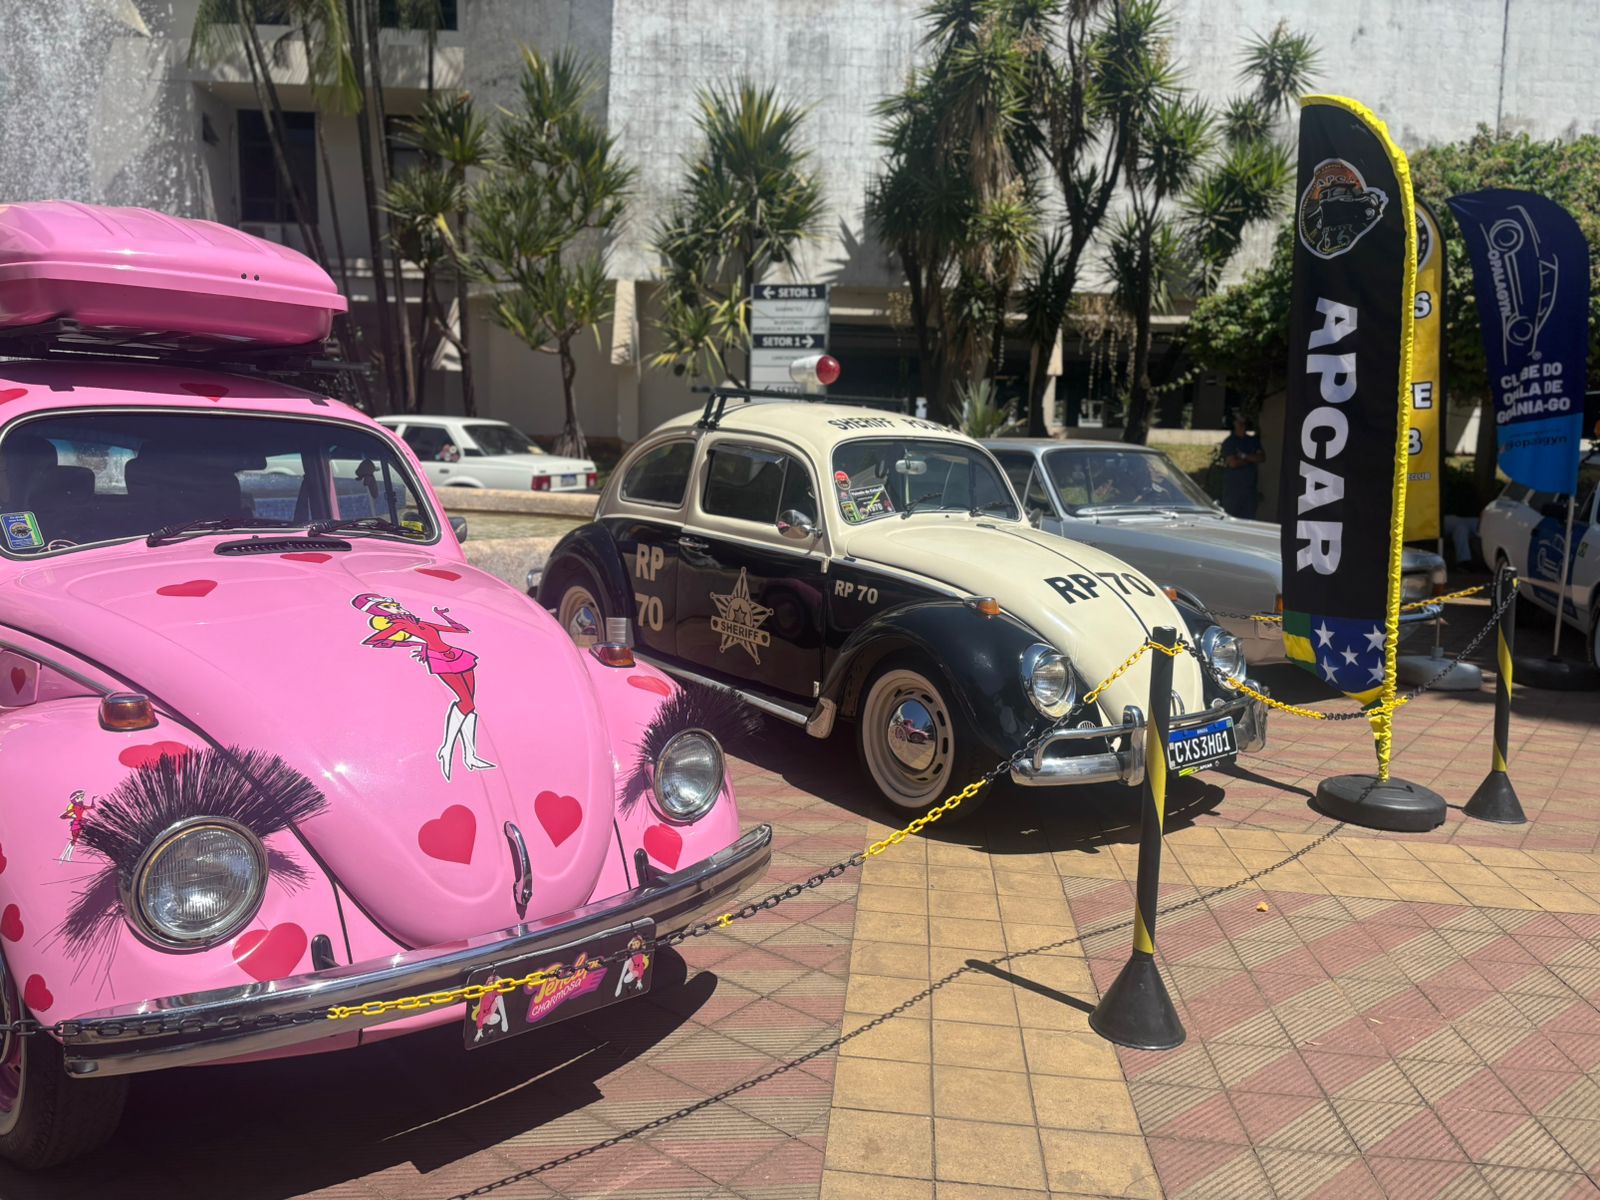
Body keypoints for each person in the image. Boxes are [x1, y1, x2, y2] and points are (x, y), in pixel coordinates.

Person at [1220, 414, 1265, 519]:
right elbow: (1233, 463)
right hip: (1233, 492)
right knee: (1231, 521)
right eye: (1239, 420)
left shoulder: (1253, 440)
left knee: (1249, 520)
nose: (1242, 421)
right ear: (1234, 423)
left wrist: (1243, 456)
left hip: (1250, 491)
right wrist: (1251, 459)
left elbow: (1261, 457)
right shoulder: (1229, 442)